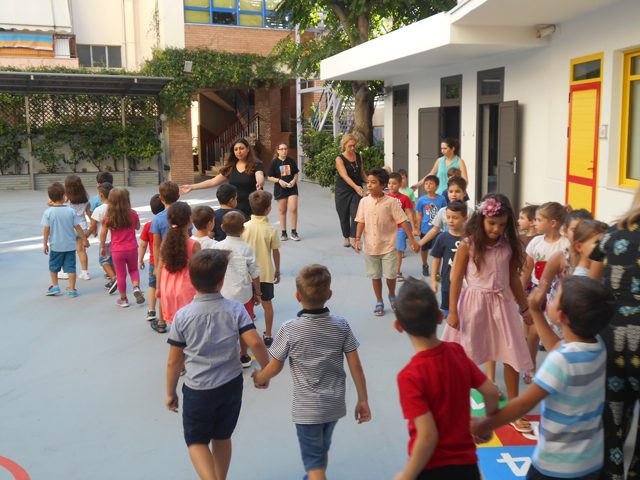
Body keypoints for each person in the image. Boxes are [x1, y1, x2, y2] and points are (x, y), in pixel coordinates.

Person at [472, 276, 615, 480]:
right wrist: (536, 311)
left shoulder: (562, 360)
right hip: (590, 461)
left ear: (562, 315)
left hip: (555, 465)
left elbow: (523, 404)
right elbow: (556, 346)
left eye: (555, 296)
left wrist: (484, 425)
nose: (550, 296)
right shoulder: (597, 345)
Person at [252, 264, 371, 480]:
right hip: (334, 404)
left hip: (307, 410)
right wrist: (363, 399)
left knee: (314, 463)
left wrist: (260, 376)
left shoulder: (290, 329)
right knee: (321, 449)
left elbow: (275, 366)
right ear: (329, 294)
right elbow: (356, 366)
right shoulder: (341, 326)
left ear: (298, 296)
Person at [165, 249, 269, 480]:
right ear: (222, 281)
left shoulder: (183, 316)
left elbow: (174, 361)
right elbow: (255, 342)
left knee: (196, 441)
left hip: (198, 389)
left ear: (191, 279)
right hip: (230, 386)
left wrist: (171, 392)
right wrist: (266, 371)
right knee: (222, 436)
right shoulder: (235, 309)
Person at [393, 278, 499, 480]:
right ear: (440, 317)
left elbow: (427, 436)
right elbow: (491, 392)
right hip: (467, 467)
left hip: (431, 468)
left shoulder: (410, 376)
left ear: (399, 326)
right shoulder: (457, 352)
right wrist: (486, 426)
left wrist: (406, 475)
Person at [448, 193, 534, 433]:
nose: (497, 229)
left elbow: (513, 279)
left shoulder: (508, 246)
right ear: (481, 220)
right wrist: (453, 311)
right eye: (492, 223)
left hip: (503, 306)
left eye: (502, 225)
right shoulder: (468, 245)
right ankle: (459, 408)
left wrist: (524, 307)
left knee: (512, 356)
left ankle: (514, 409)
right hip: (474, 306)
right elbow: (456, 278)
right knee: (468, 357)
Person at [588, 184, 640, 479]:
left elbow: (592, 285)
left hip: (612, 330)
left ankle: (612, 471)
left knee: (614, 410)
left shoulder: (610, 234)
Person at [354, 167, 419, 316]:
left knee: (390, 275)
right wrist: (357, 239)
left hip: (389, 245)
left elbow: (402, 221)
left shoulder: (391, 202)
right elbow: (361, 221)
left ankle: (391, 294)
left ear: (383, 185)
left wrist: (412, 240)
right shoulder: (364, 202)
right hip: (370, 246)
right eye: (368, 182)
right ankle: (379, 300)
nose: (369, 185)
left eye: (373, 182)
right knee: (375, 276)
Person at [520, 202, 570, 383]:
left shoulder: (564, 244)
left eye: (539, 220)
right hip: (537, 292)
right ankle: (530, 366)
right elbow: (527, 269)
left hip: (556, 295)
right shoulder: (536, 242)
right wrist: (520, 292)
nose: (534, 223)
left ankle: (556, 369)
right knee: (534, 333)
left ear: (553, 223)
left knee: (556, 334)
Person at [213, 211, 261, 368]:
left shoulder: (217, 246)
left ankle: (227, 355)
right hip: (243, 294)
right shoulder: (247, 248)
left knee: (224, 326)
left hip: (223, 294)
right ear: (243, 229)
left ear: (222, 227)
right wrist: (258, 293)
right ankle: (243, 355)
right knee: (244, 326)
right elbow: (254, 273)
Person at [180, 138, 265, 218]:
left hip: (252, 208)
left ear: (248, 149)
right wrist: (192, 187)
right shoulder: (231, 167)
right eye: (236, 149)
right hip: (234, 209)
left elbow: (259, 175)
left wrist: (260, 182)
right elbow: (212, 182)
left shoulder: (256, 164)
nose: (239, 151)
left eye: (241, 148)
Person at [242, 190, 280, 346]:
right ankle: (268, 334)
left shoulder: (243, 227)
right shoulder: (271, 229)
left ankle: (247, 335)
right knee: (267, 305)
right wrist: (277, 269)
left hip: (246, 274)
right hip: (265, 274)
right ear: (268, 209)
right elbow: (275, 252)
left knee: (247, 306)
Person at [42, 182, 89, 297]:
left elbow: (46, 230)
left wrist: (45, 243)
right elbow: (77, 227)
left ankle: (55, 286)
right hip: (70, 245)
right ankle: (72, 289)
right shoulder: (70, 211)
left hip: (56, 245)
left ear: (50, 198)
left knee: (53, 266)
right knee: (71, 267)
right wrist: (84, 239)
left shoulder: (48, 212)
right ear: (64, 196)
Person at [158, 202, 201, 326]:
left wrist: (158, 288)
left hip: (167, 288)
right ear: (189, 220)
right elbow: (200, 270)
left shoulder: (165, 243)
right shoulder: (194, 245)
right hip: (187, 290)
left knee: (176, 328)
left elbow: (160, 266)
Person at [100, 187, 144, 308]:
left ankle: (123, 299)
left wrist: (102, 247)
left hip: (117, 249)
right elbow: (137, 227)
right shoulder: (133, 214)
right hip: (132, 248)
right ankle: (136, 287)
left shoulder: (109, 217)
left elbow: (103, 233)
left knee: (120, 274)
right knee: (133, 270)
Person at [150, 181, 181, 333]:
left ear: (161, 198)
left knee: (163, 289)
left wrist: (157, 266)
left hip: (165, 259)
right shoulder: (183, 214)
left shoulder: (158, 219)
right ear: (178, 196)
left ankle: (162, 322)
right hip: (182, 255)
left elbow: (156, 245)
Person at [430, 201, 467, 317]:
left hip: (467, 284)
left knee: (466, 313)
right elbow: (436, 259)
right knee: (448, 313)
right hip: (447, 283)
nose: (450, 220)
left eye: (455, 218)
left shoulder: (470, 238)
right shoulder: (442, 237)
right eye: (448, 217)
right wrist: (434, 280)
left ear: (465, 219)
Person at [416, 176, 474, 250]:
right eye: (451, 191)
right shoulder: (442, 211)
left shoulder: (470, 212)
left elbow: (474, 232)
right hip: (447, 247)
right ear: (447, 192)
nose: (454, 195)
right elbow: (435, 229)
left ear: (464, 193)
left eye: (457, 191)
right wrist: (419, 243)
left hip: (464, 248)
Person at [334, 133, 367, 248]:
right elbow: (344, 176)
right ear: (344, 145)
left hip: (356, 190)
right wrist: (356, 187)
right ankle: (346, 237)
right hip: (343, 190)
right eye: (350, 146)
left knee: (356, 214)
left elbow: (362, 172)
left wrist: (370, 181)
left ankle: (354, 238)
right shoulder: (339, 159)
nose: (353, 148)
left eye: (354, 145)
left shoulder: (358, 156)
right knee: (343, 215)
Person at [87, 182, 117, 294]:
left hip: (105, 240)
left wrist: (85, 237)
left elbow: (93, 226)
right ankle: (114, 278)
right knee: (113, 260)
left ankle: (114, 278)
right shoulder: (117, 208)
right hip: (116, 240)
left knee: (104, 261)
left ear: (101, 195)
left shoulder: (99, 210)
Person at [138, 194, 165, 322]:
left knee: (152, 284)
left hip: (155, 261)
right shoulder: (169, 222)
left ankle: (151, 310)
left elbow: (143, 244)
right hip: (168, 260)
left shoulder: (149, 225)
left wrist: (140, 259)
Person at [414, 175, 447, 277]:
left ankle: (436, 270)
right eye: (426, 184)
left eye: (431, 183)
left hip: (438, 230)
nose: (428, 185)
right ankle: (425, 265)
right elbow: (419, 215)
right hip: (425, 229)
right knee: (424, 249)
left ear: (436, 186)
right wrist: (417, 228)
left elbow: (444, 213)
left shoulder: (441, 199)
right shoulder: (421, 200)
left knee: (438, 251)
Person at [267, 143, 300, 241]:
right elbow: (269, 177)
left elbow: (296, 173)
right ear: (278, 151)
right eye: (281, 149)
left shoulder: (291, 161)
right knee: (282, 211)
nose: (284, 151)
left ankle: (294, 232)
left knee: (293, 209)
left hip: (292, 188)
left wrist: (294, 180)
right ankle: (284, 233)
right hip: (280, 189)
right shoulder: (274, 162)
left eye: (285, 149)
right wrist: (279, 181)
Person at [387, 172, 417, 281]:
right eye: (389, 183)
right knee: (388, 250)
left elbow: (409, 214)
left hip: (400, 227)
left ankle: (397, 271)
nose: (391, 186)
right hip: (387, 228)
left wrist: (414, 228)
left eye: (394, 183)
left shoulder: (404, 198)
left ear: (400, 184)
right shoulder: (385, 197)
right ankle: (389, 269)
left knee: (399, 250)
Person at [64, 175, 92, 281]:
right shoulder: (85, 198)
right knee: (81, 250)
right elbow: (89, 214)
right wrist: (93, 228)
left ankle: (66, 272)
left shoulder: (65, 199)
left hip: (68, 228)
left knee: (67, 250)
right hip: (82, 227)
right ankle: (85, 272)